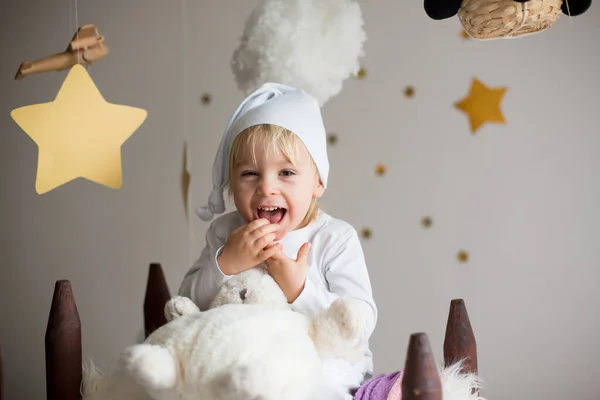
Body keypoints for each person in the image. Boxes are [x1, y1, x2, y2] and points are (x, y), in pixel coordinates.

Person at [178, 82, 378, 393]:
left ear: (318, 182)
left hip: (320, 373)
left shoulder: (333, 239)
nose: (267, 188)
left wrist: (299, 290)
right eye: (249, 174)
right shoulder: (225, 233)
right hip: (243, 368)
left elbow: (359, 323)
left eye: (286, 173)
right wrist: (225, 265)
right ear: (231, 183)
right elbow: (187, 305)